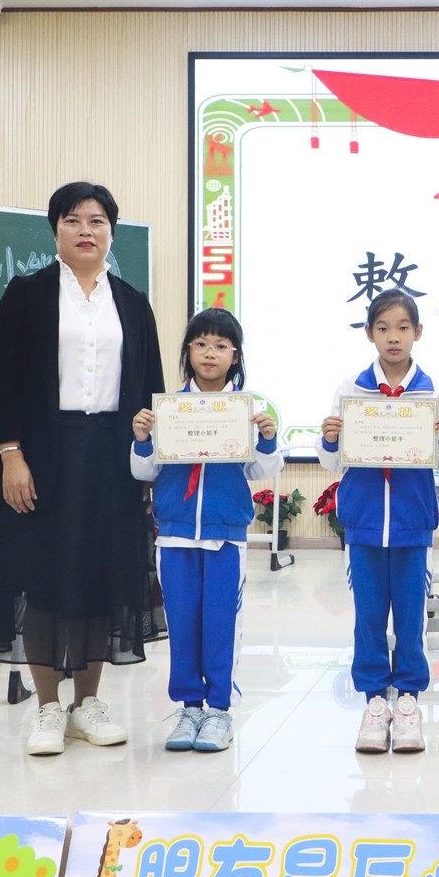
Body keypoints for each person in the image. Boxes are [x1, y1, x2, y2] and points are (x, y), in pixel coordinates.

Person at [0, 181, 166, 757]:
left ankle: (87, 704)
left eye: (97, 221)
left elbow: (149, 386)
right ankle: (48, 708)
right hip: (42, 452)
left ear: (111, 232)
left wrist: (149, 463)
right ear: (55, 229)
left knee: (101, 575)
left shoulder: (131, 301)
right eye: (73, 220)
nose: (86, 230)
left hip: (112, 455)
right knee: (43, 577)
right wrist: (10, 453)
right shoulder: (27, 294)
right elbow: (2, 379)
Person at [317, 288, 439, 754]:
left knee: (410, 617)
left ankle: (408, 703)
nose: (393, 337)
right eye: (383, 328)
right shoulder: (351, 389)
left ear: (418, 332)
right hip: (363, 523)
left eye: (402, 328)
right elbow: (331, 461)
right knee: (368, 618)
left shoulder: (432, 391)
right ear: (369, 334)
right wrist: (329, 438)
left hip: (411, 524)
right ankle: (374, 703)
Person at [130, 307, 282, 754]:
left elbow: (260, 469)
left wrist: (267, 439)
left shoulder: (245, 411)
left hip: (225, 536)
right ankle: (189, 707)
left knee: (220, 623)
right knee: (182, 624)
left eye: (220, 345)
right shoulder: (168, 410)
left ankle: (218, 709)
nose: (209, 353)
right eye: (200, 344)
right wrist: (142, 438)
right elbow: (143, 471)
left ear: (235, 355)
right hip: (175, 535)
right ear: (187, 352)